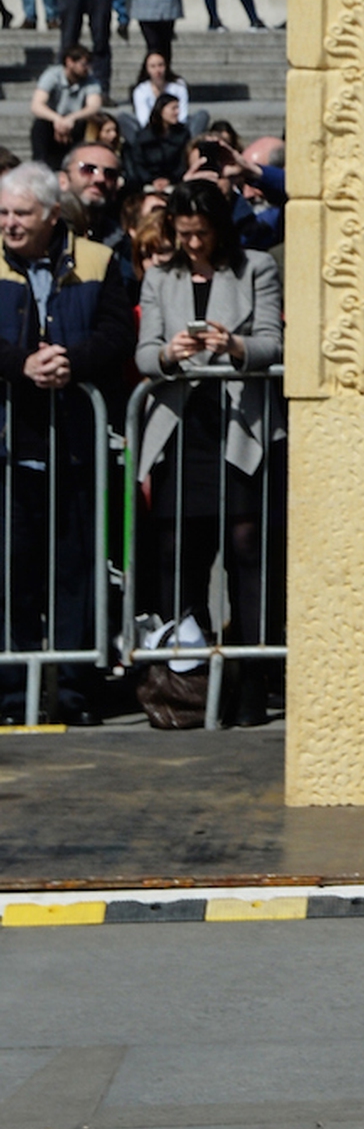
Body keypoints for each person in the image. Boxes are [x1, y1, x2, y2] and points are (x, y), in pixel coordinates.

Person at [133, 177, 284, 725]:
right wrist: (172, 354)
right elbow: (145, 353)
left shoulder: (256, 268)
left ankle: (251, 681)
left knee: (248, 549)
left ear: (220, 229)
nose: (193, 244)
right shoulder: (160, 277)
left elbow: (272, 342)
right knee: (180, 553)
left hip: (239, 427)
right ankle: (187, 684)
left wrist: (234, 345)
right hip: (182, 429)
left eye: (202, 233)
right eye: (183, 233)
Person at [0, 161, 135, 720]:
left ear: (53, 215)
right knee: (13, 575)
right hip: (10, 450)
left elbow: (117, 334)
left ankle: (74, 689)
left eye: (21, 213)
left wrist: (69, 364)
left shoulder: (100, 262)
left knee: (75, 572)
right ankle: (11, 692)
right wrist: (21, 365)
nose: (9, 223)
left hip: (76, 449)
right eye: (3, 212)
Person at [28, 44, 102, 172]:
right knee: (40, 125)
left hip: (76, 123)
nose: (87, 69)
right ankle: (39, 167)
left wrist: (71, 119)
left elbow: (94, 106)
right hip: (52, 122)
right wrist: (58, 120)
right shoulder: (52, 75)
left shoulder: (91, 81)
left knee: (89, 124)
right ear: (69, 62)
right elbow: (36, 105)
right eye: (83, 64)